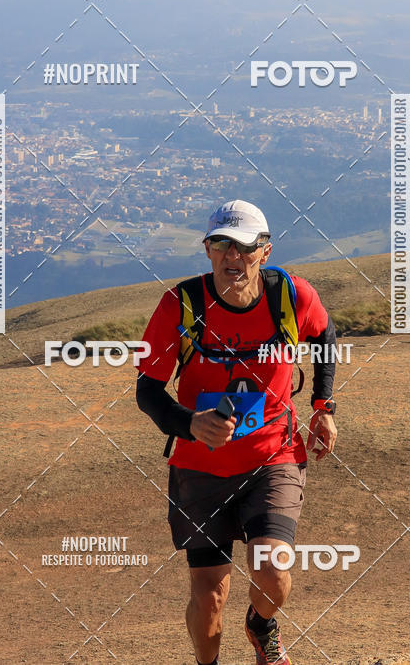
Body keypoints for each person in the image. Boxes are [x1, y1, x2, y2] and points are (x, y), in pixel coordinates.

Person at [136, 200, 337, 665]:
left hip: (273, 457)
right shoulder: (180, 305)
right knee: (208, 601)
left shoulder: (290, 296)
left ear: (264, 251)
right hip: (200, 468)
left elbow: (325, 336)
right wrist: (190, 424)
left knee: (273, 572)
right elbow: (147, 391)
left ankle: (261, 623)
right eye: (220, 244)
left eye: (244, 246)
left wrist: (324, 407)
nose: (232, 256)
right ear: (207, 250)